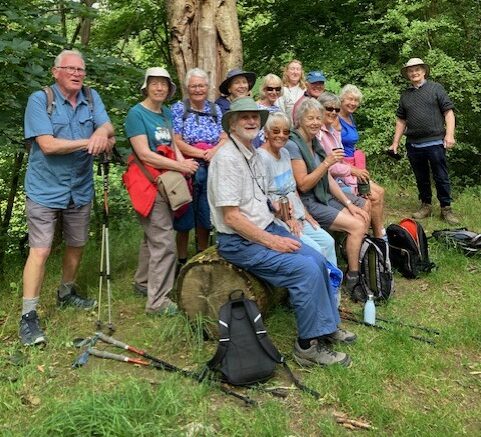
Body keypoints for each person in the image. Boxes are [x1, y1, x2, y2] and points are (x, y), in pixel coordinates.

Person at [207, 96, 356, 368]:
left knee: (319, 259)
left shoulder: (250, 153)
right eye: (245, 117)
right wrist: (272, 241)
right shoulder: (227, 159)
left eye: (255, 117)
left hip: (267, 227)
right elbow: (231, 217)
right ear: (231, 123)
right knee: (305, 270)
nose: (252, 121)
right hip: (240, 241)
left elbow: (256, 199)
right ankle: (307, 347)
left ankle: (327, 326)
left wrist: (275, 209)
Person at [20, 49, 115, 345]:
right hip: (45, 188)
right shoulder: (40, 100)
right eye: (70, 68)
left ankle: (66, 292)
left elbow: (108, 127)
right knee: (41, 250)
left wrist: (103, 131)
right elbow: (47, 145)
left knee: (77, 243)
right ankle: (29, 316)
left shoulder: (91, 96)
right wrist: (94, 140)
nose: (77, 73)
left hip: (80, 186)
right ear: (55, 71)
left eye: (81, 69)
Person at [124, 67, 198, 314]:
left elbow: (173, 144)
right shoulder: (136, 114)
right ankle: (158, 302)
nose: (159, 88)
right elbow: (145, 155)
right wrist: (180, 165)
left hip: (168, 183)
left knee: (152, 236)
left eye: (163, 84)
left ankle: (143, 283)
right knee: (164, 241)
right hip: (147, 184)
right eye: (154, 83)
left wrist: (183, 167)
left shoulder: (166, 113)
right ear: (146, 86)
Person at [285, 98, 370, 294]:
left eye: (317, 118)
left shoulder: (314, 141)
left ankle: (351, 263)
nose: (315, 122)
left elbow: (329, 179)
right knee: (357, 225)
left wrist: (349, 203)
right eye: (310, 119)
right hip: (307, 203)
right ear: (299, 120)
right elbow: (304, 185)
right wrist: (326, 163)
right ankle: (353, 278)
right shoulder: (293, 145)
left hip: (322, 196)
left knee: (359, 214)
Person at [257, 111, 338, 266]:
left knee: (328, 241)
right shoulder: (261, 158)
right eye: (276, 131)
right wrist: (287, 218)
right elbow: (263, 198)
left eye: (286, 132)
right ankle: (318, 285)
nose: (281, 135)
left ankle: (332, 288)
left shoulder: (285, 153)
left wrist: (306, 214)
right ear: (266, 133)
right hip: (278, 218)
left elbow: (293, 189)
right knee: (315, 250)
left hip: (298, 213)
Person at [389, 58, 459, 225]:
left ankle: (446, 208)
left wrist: (450, 135)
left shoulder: (436, 88)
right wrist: (395, 143)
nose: (414, 73)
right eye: (411, 70)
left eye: (417, 69)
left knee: (441, 176)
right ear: (407, 74)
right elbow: (401, 120)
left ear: (424, 71)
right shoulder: (405, 95)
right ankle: (425, 205)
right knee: (421, 177)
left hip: (435, 142)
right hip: (413, 144)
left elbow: (448, 113)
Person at [171, 68, 226, 264]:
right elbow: (175, 139)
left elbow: (224, 137)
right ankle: (182, 259)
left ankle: (202, 256)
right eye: (194, 86)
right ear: (187, 88)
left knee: (205, 211)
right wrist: (199, 154)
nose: (198, 89)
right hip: (188, 167)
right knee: (185, 213)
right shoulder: (179, 108)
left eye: (201, 85)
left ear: (208, 87)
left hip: (212, 166)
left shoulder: (215, 109)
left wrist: (213, 151)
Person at [318, 92, 386, 239]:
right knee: (372, 197)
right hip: (331, 184)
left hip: (341, 178)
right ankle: (370, 238)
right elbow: (330, 167)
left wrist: (355, 176)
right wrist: (353, 172)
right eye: (329, 109)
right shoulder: (319, 135)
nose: (333, 113)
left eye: (336, 110)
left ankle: (377, 236)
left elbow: (339, 160)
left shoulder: (334, 132)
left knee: (377, 192)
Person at [252, 73, 283, 148]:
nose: (274, 92)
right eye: (270, 89)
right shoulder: (255, 108)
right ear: (264, 89)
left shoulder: (279, 110)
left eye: (277, 89)